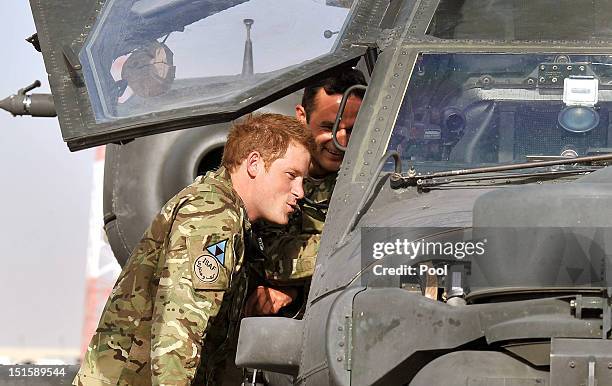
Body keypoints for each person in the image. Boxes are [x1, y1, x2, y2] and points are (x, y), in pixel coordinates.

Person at [73, 113, 314, 386]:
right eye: (291, 176)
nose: (300, 191)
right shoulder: (213, 217)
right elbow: (178, 333)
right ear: (255, 164)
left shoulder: (227, 212)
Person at [249, 67, 366, 315]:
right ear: (302, 116)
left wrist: (296, 288)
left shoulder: (367, 178)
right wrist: (361, 249)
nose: (340, 141)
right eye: (328, 127)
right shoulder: (272, 167)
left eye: (352, 130)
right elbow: (272, 258)